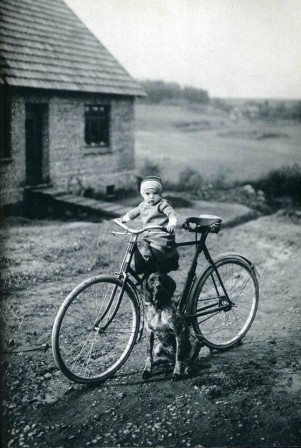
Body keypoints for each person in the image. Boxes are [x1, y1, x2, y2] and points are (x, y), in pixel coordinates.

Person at [120, 176, 179, 274]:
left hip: (162, 236)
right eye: (147, 194)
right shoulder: (142, 205)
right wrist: (123, 220)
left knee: (157, 252)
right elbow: (133, 213)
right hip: (149, 236)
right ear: (143, 194)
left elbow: (172, 214)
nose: (151, 196)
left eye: (155, 193)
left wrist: (171, 224)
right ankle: (142, 267)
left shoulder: (162, 204)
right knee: (138, 246)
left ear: (160, 194)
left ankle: (156, 269)